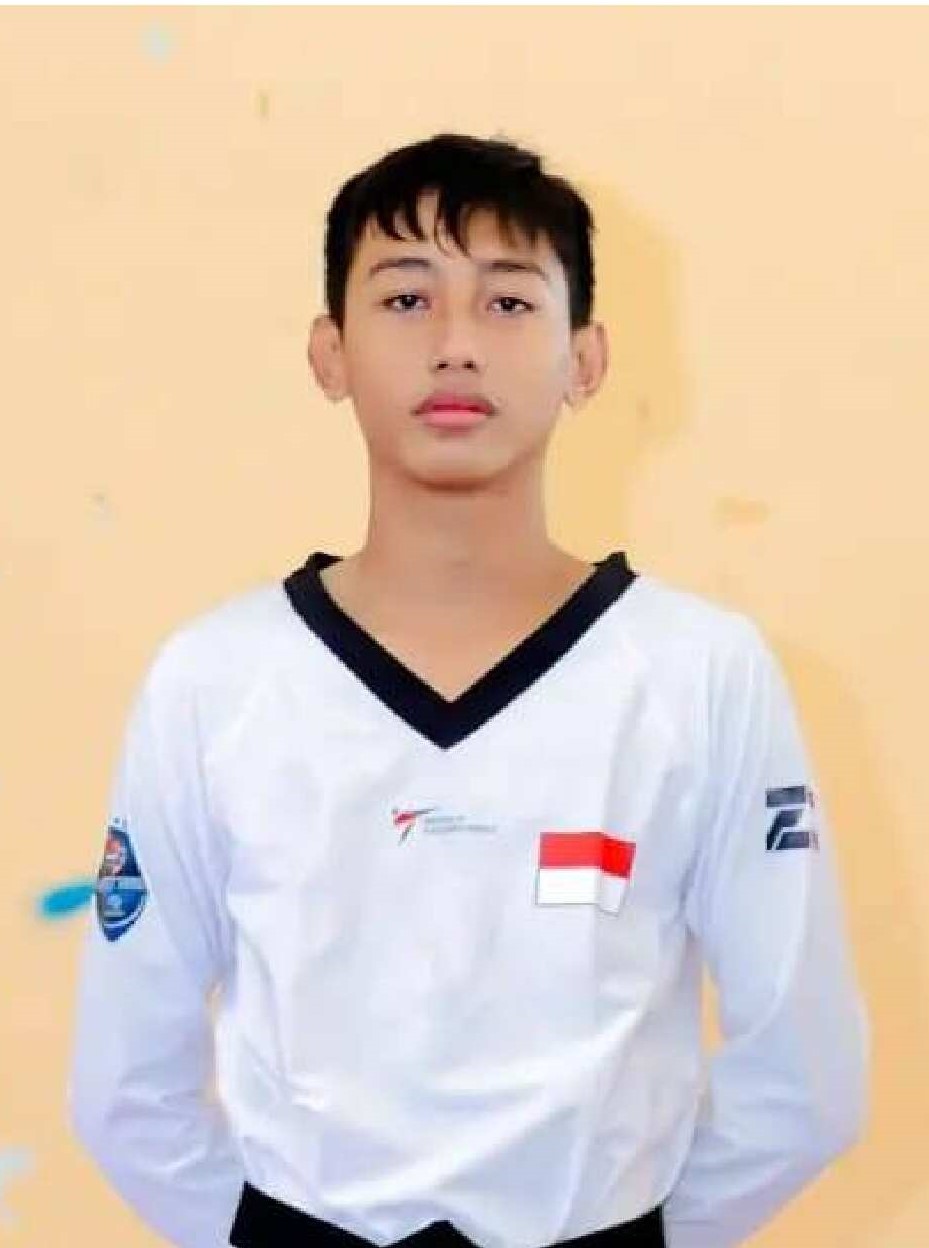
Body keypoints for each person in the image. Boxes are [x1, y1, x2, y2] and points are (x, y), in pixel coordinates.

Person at [66, 131, 869, 1248]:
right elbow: (124, 1090)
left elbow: (806, 1082)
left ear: (583, 359)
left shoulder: (699, 672)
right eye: (405, 300)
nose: (454, 346)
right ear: (329, 353)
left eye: (506, 303)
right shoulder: (215, 680)